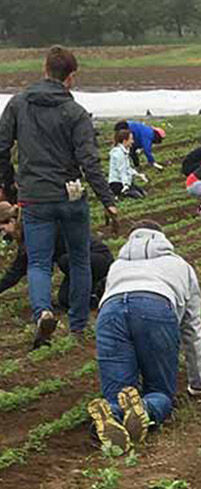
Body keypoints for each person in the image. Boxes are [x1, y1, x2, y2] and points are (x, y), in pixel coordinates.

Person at [0, 45, 118, 349]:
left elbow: (1, 147)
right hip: (71, 195)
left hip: (35, 196)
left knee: (39, 262)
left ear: (45, 69)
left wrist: (10, 185)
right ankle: (78, 325)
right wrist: (108, 200)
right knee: (80, 260)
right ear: (71, 77)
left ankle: (43, 312)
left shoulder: (18, 103)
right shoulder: (76, 112)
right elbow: (89, 161)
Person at [88, 221, 201, 453]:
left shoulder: (117, 266)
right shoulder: (181, 266)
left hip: (110, 312)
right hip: (155, 306)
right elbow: (192, 330)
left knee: (117, 393)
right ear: (162, 239)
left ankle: (112, 414)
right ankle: (145, 409)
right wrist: (198, 384)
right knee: (160, 391)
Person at [0, 201, 113, 314]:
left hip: (97, 259)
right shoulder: (33, 228)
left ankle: (96, 288)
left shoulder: (35, 232)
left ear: (12, 221)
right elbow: (17, 270)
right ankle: (91, 292)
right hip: (80, 261)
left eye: (2, 229)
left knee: (65, 262)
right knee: (65, 300)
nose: (3, 234)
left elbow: (18, 268)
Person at [108, 128, 147, 199]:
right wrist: (125, 185)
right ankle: (119, 196)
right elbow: (122, 170)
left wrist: (138, 175)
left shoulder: (125, 152)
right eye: (131, 139)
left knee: (143, 193)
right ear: (125, 141)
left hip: (125, 182)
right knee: (137, 196)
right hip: (118, 183)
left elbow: (127, 168)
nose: (133, 141)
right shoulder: (118, 153)